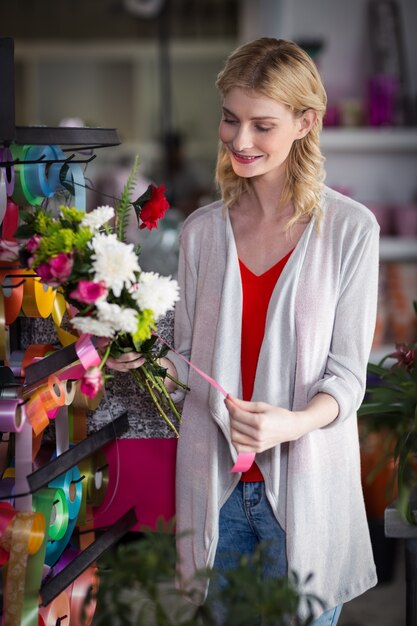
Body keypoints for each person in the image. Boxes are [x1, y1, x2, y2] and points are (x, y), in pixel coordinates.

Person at [107, 37, 379, 625]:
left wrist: (293, 422)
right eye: (231, 120)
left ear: (306, 122)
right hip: (216, 493)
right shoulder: (203, 232)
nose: (241, 141)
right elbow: (189, 360)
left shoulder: (351, 231)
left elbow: (349, 375)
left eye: (263, 124)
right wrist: (145, 357)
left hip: (304, 494)